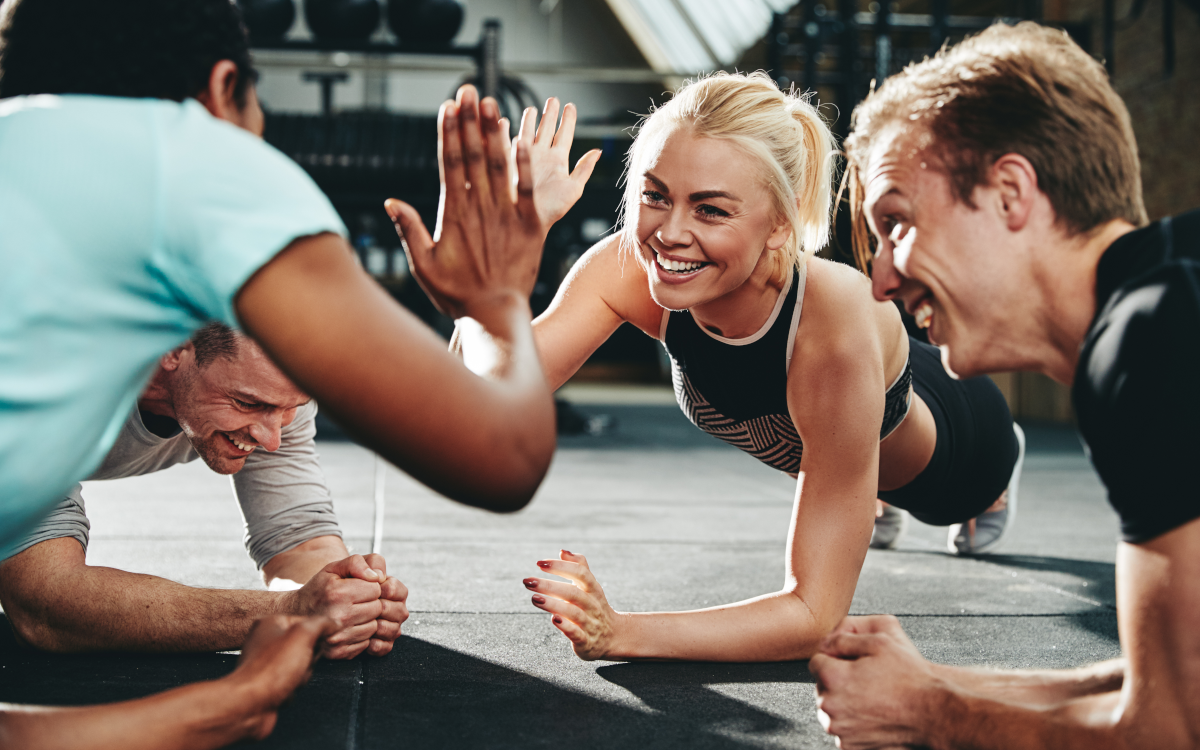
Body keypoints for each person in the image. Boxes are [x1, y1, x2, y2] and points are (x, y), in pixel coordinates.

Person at [0, 0, 554, 746]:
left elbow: (298, 541)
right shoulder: (196, 161)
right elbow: (505, 457)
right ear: (223, 90)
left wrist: (335, 598)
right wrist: (494, 304)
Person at [466, 72, 1023, 663]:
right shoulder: (630, 267)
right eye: (655, 196)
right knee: (835, 456)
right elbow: (467, 408)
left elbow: (814, 616)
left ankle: (960, 493)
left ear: (781, 225)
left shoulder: (829, 323)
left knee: (923, 490)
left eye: (710, 210)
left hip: (958, 450)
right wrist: (500, 253)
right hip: (837, 424)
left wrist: (622, 632)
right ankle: (858, 493)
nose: (670, 234)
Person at [807, 22, 1200, 750]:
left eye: (896, 223)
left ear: (1010, 192)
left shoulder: (1150, 339)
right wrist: (939, 686)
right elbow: (1180, 682)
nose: (883, 280)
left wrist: (926, 713)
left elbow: (1170, 730)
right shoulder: (1170, 293)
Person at [0, 322, 406, 660]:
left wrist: (349, 600)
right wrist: (286, 614)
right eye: (248, 403)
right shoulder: (37, 378)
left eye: (288, 408)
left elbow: (300, 544)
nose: (272, 439)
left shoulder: (277, 390)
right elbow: (44, 605)